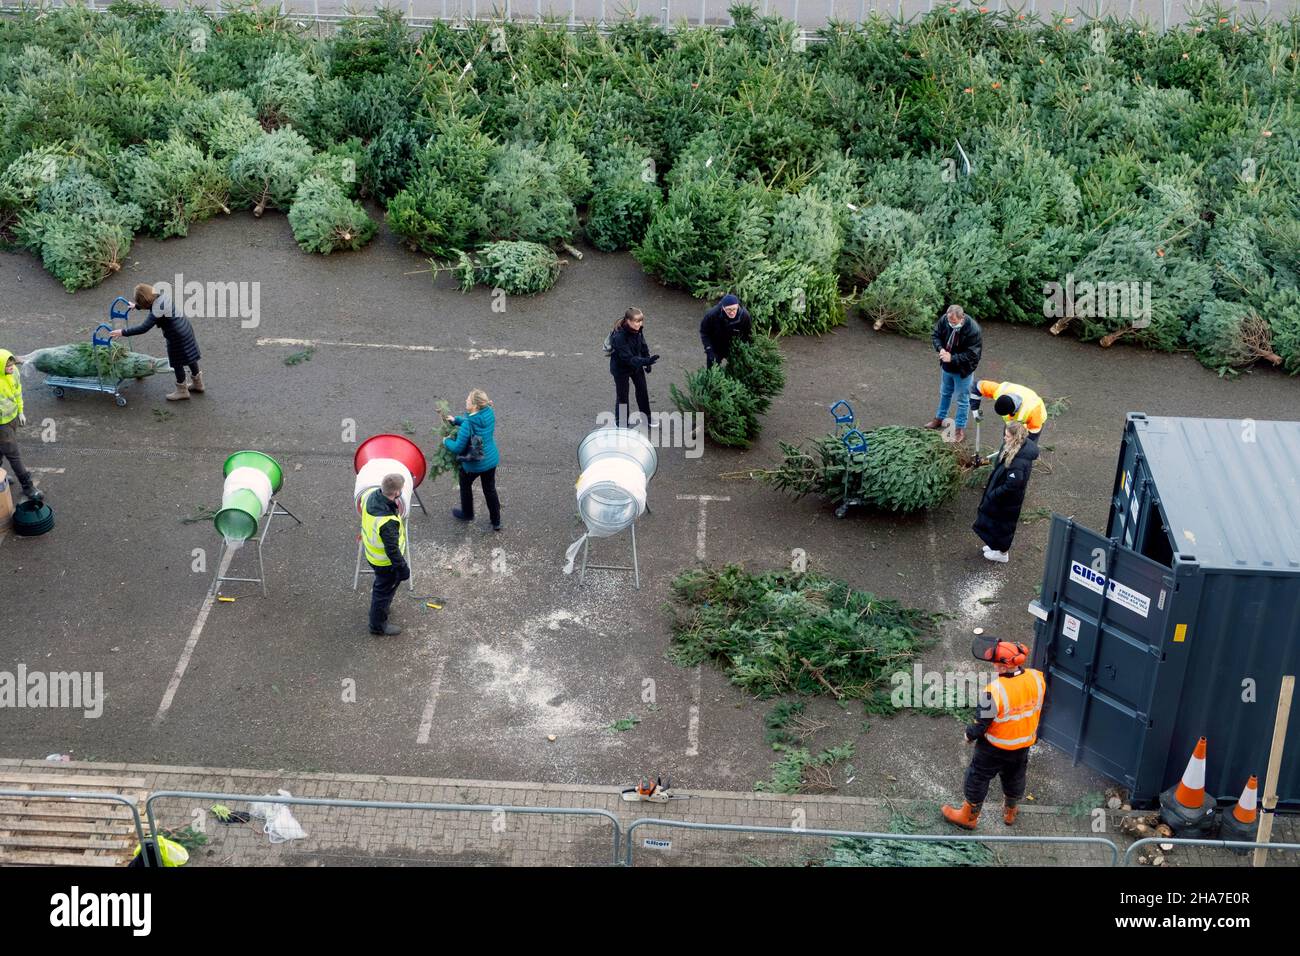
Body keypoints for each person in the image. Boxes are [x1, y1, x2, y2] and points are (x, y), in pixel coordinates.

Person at [941, 635, 1045, 830]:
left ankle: (968, 817)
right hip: (1023, 744)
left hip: (994, 747)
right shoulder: (1036, 678)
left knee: (978, 777)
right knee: (1015, 776)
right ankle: (1010, 811)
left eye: (997, 663)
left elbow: (981, 724)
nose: (994, 666)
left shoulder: (994, 691)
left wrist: (968, 735)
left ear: (1004, 667)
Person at [108, 283, 203, 401]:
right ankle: (198, 384)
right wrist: (136, 306)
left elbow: (143, 328)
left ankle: (182, 391)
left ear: (145, 301)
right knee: (190, 357)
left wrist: (123, 332)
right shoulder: (160, 296)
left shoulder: (157, 310)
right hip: (185, 329)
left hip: (176, 336)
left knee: (177, 363)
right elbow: (150, 304)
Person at [973, 421, 1038, 563]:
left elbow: (1013, 484)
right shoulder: (1014, 447)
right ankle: (995, 546)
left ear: (1015, 438)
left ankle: (1003, 553)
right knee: (996, 521)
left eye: (1007, 436)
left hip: (1008, 500)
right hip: (1003, 497)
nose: (1004, 438)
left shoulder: (1019, 462)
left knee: (1004, 525)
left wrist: (995, 494)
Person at [444, 388, 501, 531]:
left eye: (468, 400)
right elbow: (475, 421)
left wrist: (446, 441)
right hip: (491, 459)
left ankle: (467, 513)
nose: (465, 401)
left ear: (475, 405)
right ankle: (496, 521)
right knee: (490, 489)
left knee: (464, 483)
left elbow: (457, 447)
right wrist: (456, 420)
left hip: (474, 463)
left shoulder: (468, 424)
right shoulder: (488, 413)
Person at [360, 473, 410, 636]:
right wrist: (403, 569)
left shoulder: (370, 496)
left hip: (372, 555)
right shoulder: (387, 522)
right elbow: (392, 551)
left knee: (383, 590)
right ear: (396, 493)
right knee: (382, 592)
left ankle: (383, 609)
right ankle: (377, 626)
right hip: (385, 563)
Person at [924, 304, 982, 443]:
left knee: (962, 400)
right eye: (949, 321)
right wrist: (941, 349)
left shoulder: (973, 330)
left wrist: (953, 358)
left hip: (963, 371)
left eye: (954, 322)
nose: (950, 324)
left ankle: (959, 429)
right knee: (945, 393)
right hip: (947, 367)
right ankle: (939, 418)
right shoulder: (945, 320)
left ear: (962, 318)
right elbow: (936, 335)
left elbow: (973, 355)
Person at [0, 349, 41, 502]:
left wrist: (21, 411)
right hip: (1, 424)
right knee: (13, 454)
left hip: (12, 418)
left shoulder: (14, 372)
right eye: (7, 367)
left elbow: (17, 392)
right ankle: (28, 486)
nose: (11, 369)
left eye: (12, 365)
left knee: (1, 448)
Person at [608, 307, 658, 428]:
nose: (639, 324)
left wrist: (647, 360)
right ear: (628, 321)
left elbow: (643, 345)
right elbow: (628, 358)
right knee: (622, 396)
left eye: (641, 321)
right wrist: (645, 361)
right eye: (636, 321)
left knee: (642, 391)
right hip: (621, 369)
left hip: (636, 365)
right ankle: (621, 423)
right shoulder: (619, 337)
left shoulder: (638, 330)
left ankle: (646, 417)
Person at [977, 378, 1047, 441]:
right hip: (1017, 419)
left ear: (1012, 413)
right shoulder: (1000, 390)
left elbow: (1034, 432)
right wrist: (975, 409)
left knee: (1027, 448)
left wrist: (1021, 444)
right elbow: (977, 386)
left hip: (1034, 421)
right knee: (1007, 438)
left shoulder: (1033, 411)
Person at [700, 294, 752, 368]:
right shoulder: (712, 315)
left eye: (734, 309)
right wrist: (709, 349)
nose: (732, 312)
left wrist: (746, 350)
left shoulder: (744, 316)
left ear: (737, 306)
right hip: (716, 346)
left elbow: (748, 334)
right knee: (712, 369)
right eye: (729, 309)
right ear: (723, 308)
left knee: (738, 368)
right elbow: (704, 332)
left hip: (734, 346)